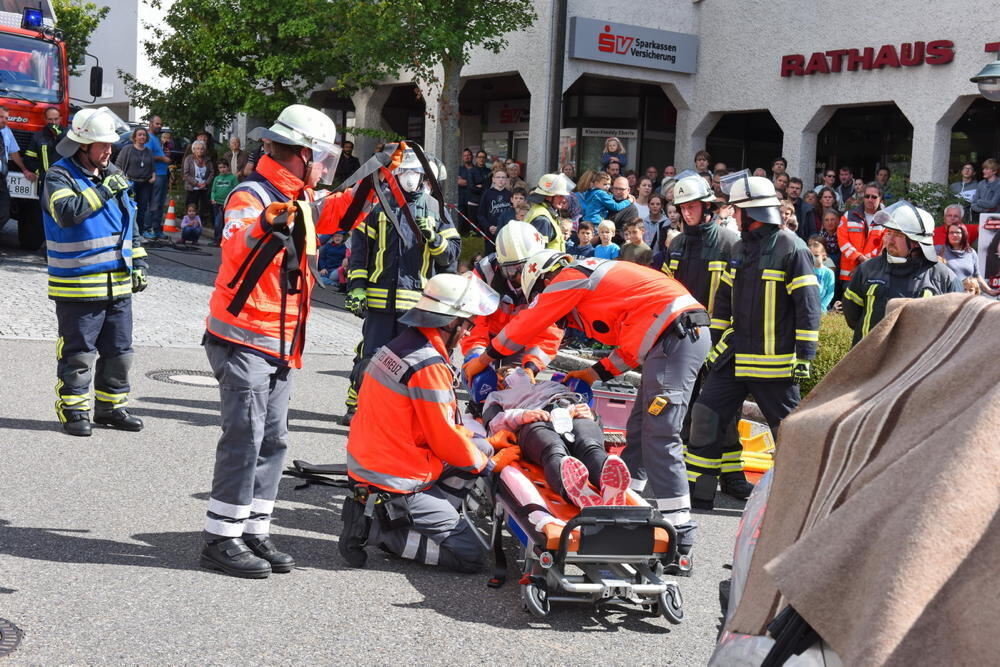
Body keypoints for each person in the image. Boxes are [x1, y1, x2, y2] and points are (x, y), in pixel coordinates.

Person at [200, 104, 370, 578]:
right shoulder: (252, 195)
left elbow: (334, 214)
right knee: (245, 438)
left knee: (273, 440)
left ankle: (252, 528)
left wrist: (377, 179)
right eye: (320, 157)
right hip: (245, 340)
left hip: (279, 343)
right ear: (298, 153)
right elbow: (235, 243)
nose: (323, 167)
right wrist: (264, 224)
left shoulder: (298, 197)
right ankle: (220, 538)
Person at [464, 250, 711, 564]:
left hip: (676, 336)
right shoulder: (603, 285)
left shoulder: (570, 277)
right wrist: (596, 373)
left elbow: (528, 323)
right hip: (671, 339)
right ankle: (622, 504)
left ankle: (679, 532)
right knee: (637, 432)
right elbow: (633, 346)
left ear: (544, 279)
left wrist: (485, 360)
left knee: (659, 434)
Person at [340, 273, 517, 571]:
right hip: (395, 477)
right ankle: (380, 531)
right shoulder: (427, 364)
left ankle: (417, 515)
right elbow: (445, 437)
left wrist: (488, 445)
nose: (466, 332)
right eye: (466, 324)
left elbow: (439, 424)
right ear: (449, 322)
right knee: (470, 556)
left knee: (478, 451)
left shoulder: (402, 345)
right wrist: (491, 463)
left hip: (382, 461)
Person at [687, 175, 821, 510]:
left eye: (738, 210)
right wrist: (714, 344)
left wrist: (804, 355)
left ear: (752, 212)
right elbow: (724, 303)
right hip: (733, 358)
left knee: (789, 433)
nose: (733, 215)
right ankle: (696, 497)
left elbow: (808, 306)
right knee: (705, 416)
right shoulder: (739, 247)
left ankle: (797, 503)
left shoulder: (793, 248)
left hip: (774, 362)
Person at [41, 107, 148, 437]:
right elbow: (67, 212)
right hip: (79, 286)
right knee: (78, 355)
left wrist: (140, 262)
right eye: (102, 145)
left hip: (117, 286)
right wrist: (104, 190)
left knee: (119, 353)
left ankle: (111, 408)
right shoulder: (59, 176)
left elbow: (131, 221)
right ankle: (74, 411)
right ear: (81, 146)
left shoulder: (111, 172)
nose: (108, 151)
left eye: (110, 145)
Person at [342, 148, 461, 424]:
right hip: (379, 300)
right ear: (395, 173)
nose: (409, 177)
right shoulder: (377, 204)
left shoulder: (435, 208)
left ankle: (401, 413)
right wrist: (357, 286)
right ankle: (358, 406)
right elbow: (360, 251)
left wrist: (435, 238)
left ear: (424, 177)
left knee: (410, 362)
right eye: (404, 171)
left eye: (415, 173)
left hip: (416, 306)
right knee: (370, 356)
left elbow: (452, 255)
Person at [483, 367, 632, 507]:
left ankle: (609, 485)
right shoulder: (496, 396)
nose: (519, 372)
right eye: (510, 372)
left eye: (522, 371)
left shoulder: (552, 385)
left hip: (571, 413)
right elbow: (493, 425)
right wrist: (521, 415)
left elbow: (595, 423)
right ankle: (574, 491)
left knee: (590, 445)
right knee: (554, 450)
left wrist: (591, 415)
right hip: (535, 421)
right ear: (501, 381)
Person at [843, 201, 963, 346]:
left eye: (898, 234)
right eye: (889, 233)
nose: (890, 240)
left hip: (918, 365)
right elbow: (852, 315)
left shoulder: (944, 278)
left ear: (917, 242)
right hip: (869, 361)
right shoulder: (867, 269)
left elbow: (954, 329)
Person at [463, 221, 562, 389]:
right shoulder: (485, 274)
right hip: (489, 337)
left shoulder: (548, 279)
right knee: (479, 384)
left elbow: (548, 331)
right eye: (511, 270)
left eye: (523, 268)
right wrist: (477, 358)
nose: (517, 276)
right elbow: (475, 323)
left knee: (516, 389)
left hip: (523, 340)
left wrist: (531, 367)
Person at [837, 182, 885, 283]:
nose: (870, 199)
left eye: (874, 197)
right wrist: (859, 257)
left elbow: (883, 246)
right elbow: (843, 241)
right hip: (849, 274)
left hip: (873, 273)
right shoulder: (848, 216)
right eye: (867, 196)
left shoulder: (886, 220)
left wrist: (866, 263)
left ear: (880, 198)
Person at [936, 217, 997, 296]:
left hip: (967, 296)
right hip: (947, 296)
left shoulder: (971, 252)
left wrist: (990, 291)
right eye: (951, 232)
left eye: (957, 232)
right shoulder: (939, 250)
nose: (954, 235)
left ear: (964, 234)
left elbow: (977, 276)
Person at [0, 105, 38, 229]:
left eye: (6, 118)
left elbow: (14, 152)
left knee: (4, 213)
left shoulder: (7, 132)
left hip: (1, 179)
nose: (4, 120)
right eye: (1, 117)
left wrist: (24, 170)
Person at [114, 127, 155, 240]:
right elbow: (118, 165)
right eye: (140, 135)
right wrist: (122, 177)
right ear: (135, 137)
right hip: (131, 183)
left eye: (144, 135)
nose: (142, 137)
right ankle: (126, 234)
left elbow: (152, 167)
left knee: (142, 210)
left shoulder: (148, 151)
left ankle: (139, 234)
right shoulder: (127, 149)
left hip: (145, 183)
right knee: (129, 209)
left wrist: (153, 176)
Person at [525, 173, 572, 251]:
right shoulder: (542, 219)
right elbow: (539, 252)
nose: (563, 199)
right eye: (560, 196)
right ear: (548, 197)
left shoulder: (542, 211)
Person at [24, 106, 64, 183]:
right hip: (45, 179)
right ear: (45, 120)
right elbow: (28, 159)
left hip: (64, 179)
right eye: (50, 119)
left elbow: (74, 156)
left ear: (60, 118)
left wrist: (60, 135)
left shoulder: (68, 135)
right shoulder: (38, 136)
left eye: (56, 119)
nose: (53, 122)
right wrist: (40, 172)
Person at [478, 168, 512, 252]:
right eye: (498, 177)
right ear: (493, 179)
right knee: (491, 257)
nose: (501, 179)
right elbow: (480, 214)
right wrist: (489, 227)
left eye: (503, 177)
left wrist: (503, 227)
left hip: (505, 233)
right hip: (491, 233)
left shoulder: (510, 195)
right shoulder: (487, 194)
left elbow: (512, 214)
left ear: (507, 180)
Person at [183, 139, 214, 225]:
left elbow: (212, 172)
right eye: (198, 148)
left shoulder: (208, 160)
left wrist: (206, 183)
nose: (200, 150)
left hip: (204, 187)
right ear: (194, 150)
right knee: (191, 205)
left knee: (204, 206)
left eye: (202, 148)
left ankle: (202, 222)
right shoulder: (189, 159)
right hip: (192, 187)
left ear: (204, 150)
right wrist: (196, 183)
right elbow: (186, 174)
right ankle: (189, 222)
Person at [210, 160, 238, 246]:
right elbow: (213, 190)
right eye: (220, 168)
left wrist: (232, 200)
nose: (222, 169)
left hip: (227, 204)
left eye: (224, 167)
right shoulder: (217, 178)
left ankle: (225, 240)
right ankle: (216, 240)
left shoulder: (233, 178)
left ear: (228, 167)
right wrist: (212, 198)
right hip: (217, 203)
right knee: (218, 222)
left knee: (226, 222)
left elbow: (236, 189)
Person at [465, 150, 492, 227]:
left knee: (483, 224)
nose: (481, 159)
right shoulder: (471, 171)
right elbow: (471, 187)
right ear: (476, 159)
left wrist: (480, 186)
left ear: (486, 159)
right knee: (473, 226)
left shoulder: (489, 172)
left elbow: (489, 186)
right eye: (479, 157)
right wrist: (483, 187)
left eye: (483, 157)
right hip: (473, 201)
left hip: (485, 202)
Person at [808, 238, 836, 311]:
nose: (814, 258)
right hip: (808, 307)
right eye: (811, 256)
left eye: (816, 255)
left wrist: (822, 307)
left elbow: (830, 293)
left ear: (823, 255)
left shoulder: (829, 272)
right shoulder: (807, 270)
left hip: (822, 307)